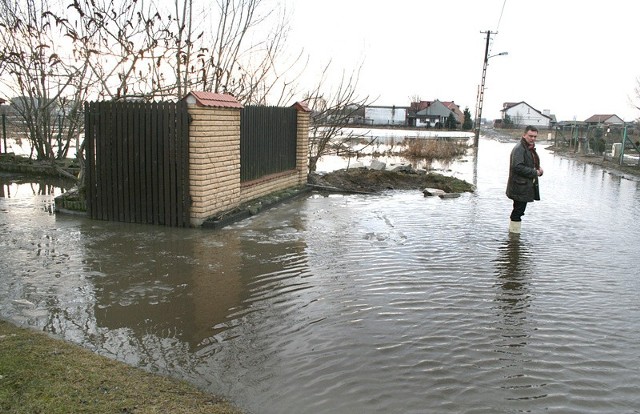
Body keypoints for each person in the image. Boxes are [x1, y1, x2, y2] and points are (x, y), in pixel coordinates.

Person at [506, 125, 543, 233]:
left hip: (522, 185)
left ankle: (513, 239)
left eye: (535, 137)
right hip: (519, 186)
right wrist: (534, 172)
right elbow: (517, 167)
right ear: (524, 135)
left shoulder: (528, 148)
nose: (533, 139)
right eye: (530, 136)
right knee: (518, 211)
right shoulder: (519, 148)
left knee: (518, 211)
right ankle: (514, 238)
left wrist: (538, 168)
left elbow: (529, 163)